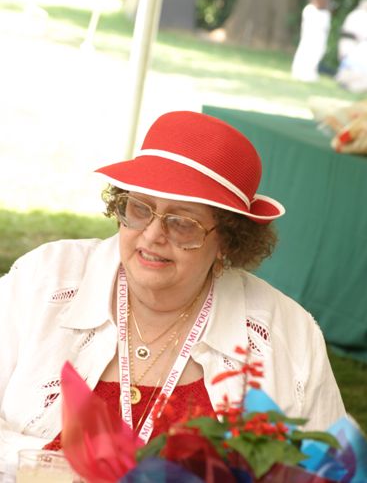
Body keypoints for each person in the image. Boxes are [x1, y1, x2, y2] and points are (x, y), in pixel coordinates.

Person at [0, 110, 345, 471]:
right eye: (139, 208)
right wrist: (56, 468)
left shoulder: (286, 332)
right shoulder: (44, 281)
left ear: (227, 239)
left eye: (182, 223)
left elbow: (328, 470)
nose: (152, 235)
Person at [292, 0, 342, 82]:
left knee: (314, 44)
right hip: (317, 13)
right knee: (312, 43)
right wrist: (321, 2)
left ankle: (307, 71)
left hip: (317, 13)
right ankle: (304, 72)